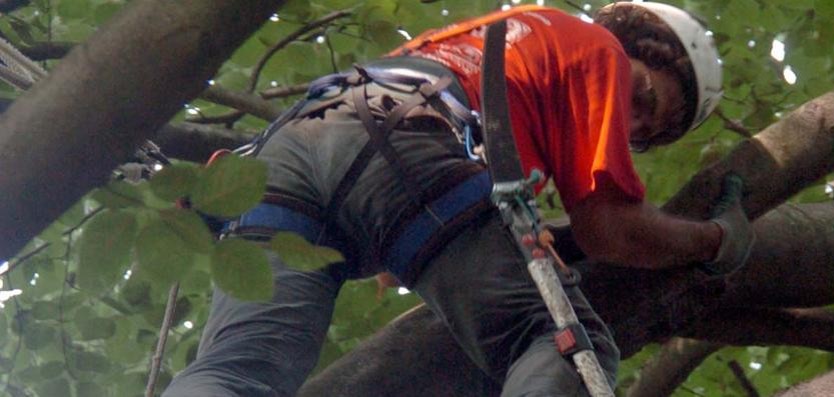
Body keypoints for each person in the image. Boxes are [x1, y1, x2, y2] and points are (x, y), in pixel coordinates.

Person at [163, 2, 753, 396]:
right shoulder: (597, 49)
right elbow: (609, 228)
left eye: (645, 135)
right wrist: (714, 239)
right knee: (565, 343)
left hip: (287, 160)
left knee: (237, 374)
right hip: (396, 147)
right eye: (645, 100)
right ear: (632, 48)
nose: (630, 127)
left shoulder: (486, 53)